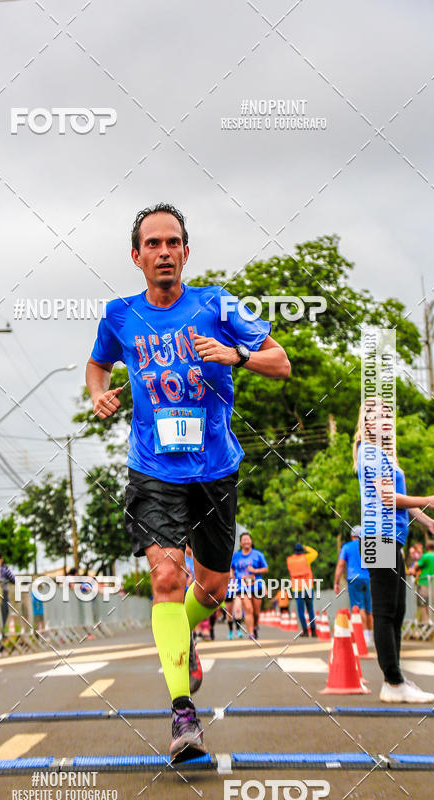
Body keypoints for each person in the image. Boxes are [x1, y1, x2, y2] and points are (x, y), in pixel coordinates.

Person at [86, 203, 290, 762]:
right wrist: (96, 392)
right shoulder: (119, 315)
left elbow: (282, 362)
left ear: (186, 252)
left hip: (216, 467)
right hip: (153, 469)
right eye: (152, 244)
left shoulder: (218, 303)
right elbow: (97, 364)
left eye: (173, 243)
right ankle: (183, 717)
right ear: (137, 256)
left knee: (214, 588)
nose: (164, 252)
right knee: (167, 580)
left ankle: (187, 633)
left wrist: (236, 354)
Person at [354, 398, 434, 703]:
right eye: (377, 416)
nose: (384, 421)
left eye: (387, 416)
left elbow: (401, 500)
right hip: (378, 537)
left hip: (391, 537)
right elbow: (387, 497)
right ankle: (393, 682)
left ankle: (395, 679)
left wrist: (428, 522)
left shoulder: (385, 455)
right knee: (385, 610)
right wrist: (428, 499)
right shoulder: (368, 452)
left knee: (397, 610)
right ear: (366, 423)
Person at [334, 525, 373, 646]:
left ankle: (363, 637)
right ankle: (371, 636)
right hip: (369, 579)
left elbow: (340, 565)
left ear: (352, 536)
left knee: (358, 608)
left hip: (354, 579)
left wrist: (336, 582)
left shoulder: (346, 547)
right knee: (369, 609)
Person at [230, 532, 268, 640]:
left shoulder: (258, 554)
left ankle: (255, 626)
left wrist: (255, 570)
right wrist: (232, 576)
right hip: (242, 587)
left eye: (248, 539)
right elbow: (231, 568)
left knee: (256, 612)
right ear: (241, 543)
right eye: (244, 540)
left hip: (256, 586)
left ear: (251, 542)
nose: (246, 541)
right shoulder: (236, 556)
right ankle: (250, 633)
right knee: (248, 609)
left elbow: (266, 569)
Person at [286, 543, 318, 637]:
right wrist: (306, 547)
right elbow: (315, 553)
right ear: (302, 550)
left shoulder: (290, 560)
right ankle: (313, 631)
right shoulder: (306, 558)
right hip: (308, 587)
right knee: (310, 610)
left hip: (296, 589)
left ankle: (305, 631)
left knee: (300, 611)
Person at [413, 542, 434, 624]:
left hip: (423, 583)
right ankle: (432, 622)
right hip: (433, 584)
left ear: (427, 548)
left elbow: (417, 566)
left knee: (422, 604)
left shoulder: (425, 556)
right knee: (431, 604)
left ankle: (425, 622)